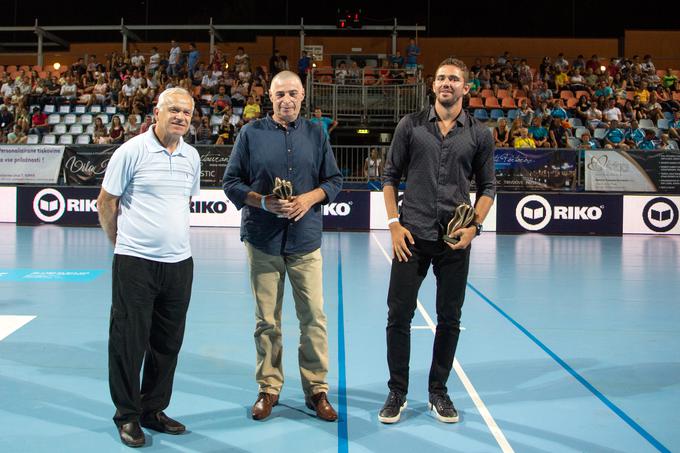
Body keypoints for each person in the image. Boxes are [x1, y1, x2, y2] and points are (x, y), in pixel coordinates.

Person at [379, 57, 495, 424]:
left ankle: (438, 392)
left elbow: (489, 187)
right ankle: (397, 391)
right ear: (433, 85)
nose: (447, 83)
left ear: (466, 87)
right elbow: (389, 176)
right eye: (442, 77)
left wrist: (474, 227)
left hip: (454, 242)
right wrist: (394, 224)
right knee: (398, 316)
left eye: (455, 78)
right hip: (410, 236)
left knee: (450, 318)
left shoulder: (479, 134)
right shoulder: (409, 126)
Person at [223, 71, 343, 423]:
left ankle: (316, 389)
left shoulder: (316, 134)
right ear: (270, 98)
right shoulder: (250, 133)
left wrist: (309, 199)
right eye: (280, 94)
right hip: (263, 241)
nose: (286, 100)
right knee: (266, 321)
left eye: (292, 93)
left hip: (305, 241)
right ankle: (269, 388)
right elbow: (231, 182)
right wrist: (262, 202)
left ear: (302, 95)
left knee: (314, 319)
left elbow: (334, 180)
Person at [97, 87, 201, 448]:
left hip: (179, 264)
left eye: (187, 112)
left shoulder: (192, 157)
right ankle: (127, 415)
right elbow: (106, 202)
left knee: (167, 343)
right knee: (128, 342)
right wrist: (120, 245)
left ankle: (153, 409)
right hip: (135, 264)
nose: (180, 117)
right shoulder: (131, 151)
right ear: (156, 112)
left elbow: (184, 201)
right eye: (173, 109)